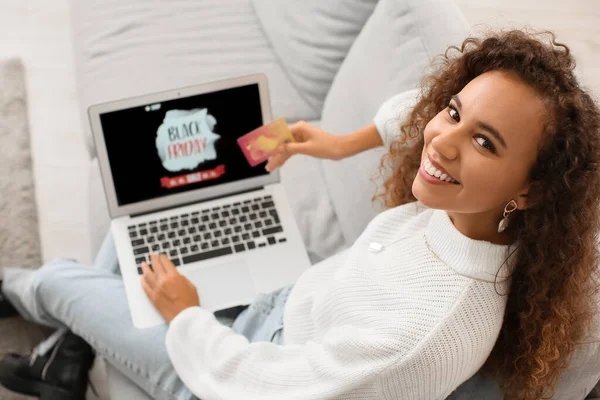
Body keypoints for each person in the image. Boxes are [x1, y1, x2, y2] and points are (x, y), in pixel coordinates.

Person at [0, 29, 599, 400]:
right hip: (293, 299)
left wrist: (184, 316)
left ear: (535, 188)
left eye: (486, 142)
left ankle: (19, 291)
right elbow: (413, 113)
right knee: (144, 218)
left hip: (234, 371)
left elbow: (263, 390)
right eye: (453, 111)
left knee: (62, 279)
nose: (440, 141)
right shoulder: (491, 215)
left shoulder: (426, 336)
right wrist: (344, 142)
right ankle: (70, 355)